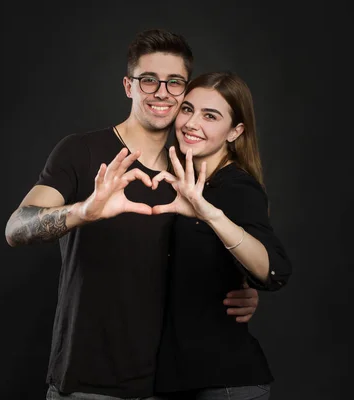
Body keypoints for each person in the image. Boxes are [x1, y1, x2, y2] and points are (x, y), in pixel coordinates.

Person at [4, 30, 260, 400]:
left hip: (173, 384)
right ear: (129, 86)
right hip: (89, 382)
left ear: (184, 91)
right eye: (148, 80)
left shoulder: (194, 171)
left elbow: (221, 251)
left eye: (174, 83)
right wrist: (84, 211)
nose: (161, 92)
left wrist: (241, 290)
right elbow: (16, 227)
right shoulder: (82, 152)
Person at [151, 72, 293, 400]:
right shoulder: (169, 177)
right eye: (187, 109)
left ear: (235, 131)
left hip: (223, 383)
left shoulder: (236, 188)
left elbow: (274, 271)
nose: (191, 123)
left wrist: (209, 214)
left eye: (210, 116)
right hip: (168, 379)